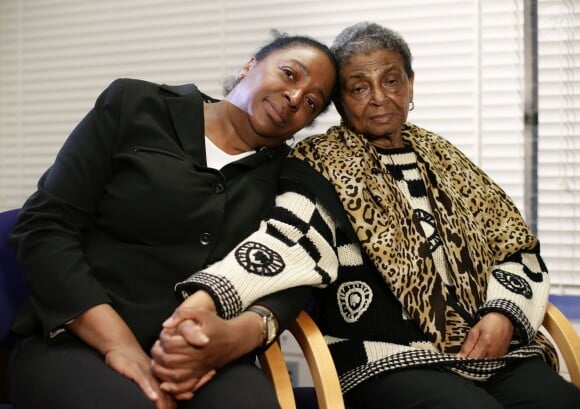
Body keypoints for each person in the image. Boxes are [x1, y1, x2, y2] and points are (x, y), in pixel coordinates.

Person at [159, 22, 580, 409]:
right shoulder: (319, 161)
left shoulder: (449, 159)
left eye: (391, 81)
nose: (379, 98)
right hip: (383, 359)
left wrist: (503, 314)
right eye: (358, 88)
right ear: (341, 103)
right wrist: (210, 297)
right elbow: (289, 242)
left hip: (487, 349)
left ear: (410, 86)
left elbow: (516, 248)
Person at [7, 31, 338, 409]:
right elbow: (44, 226)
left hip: (208, 353)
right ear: (250, 65)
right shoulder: (134, 106)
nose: (295, 98)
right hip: (78, 337)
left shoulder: (291, 175)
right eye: (289, 74)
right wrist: (119, 344)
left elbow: (295, 269)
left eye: (311, 102)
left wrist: (237, 336)